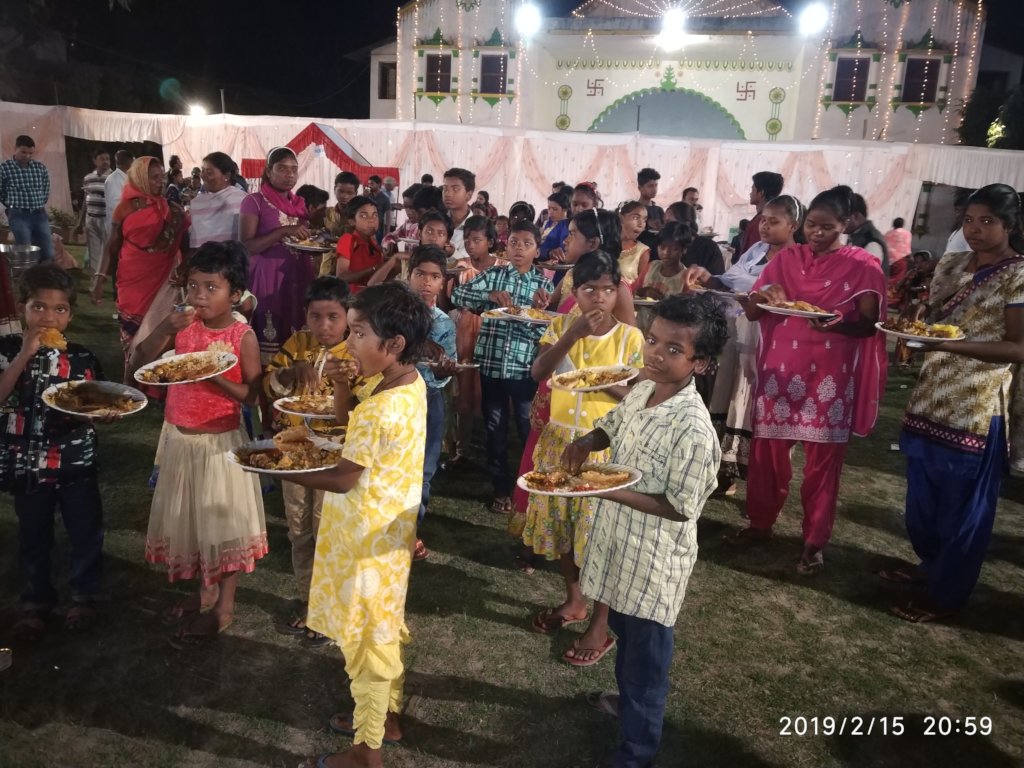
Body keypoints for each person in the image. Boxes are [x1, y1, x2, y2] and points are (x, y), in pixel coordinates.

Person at [564, 293, 727, 768]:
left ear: (701, 363)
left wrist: (605, 489)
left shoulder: (693, 430)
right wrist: (587, 440)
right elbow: (612, 424)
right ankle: (628, 704)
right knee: (625, 639)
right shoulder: (643, 389)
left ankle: (636, 754)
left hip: (653, 569)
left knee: (647, 666)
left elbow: (680, 507)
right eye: (653, 340)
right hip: (619, 552)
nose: (655, 354)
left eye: (674, 349)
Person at [282, 283, 431, 768]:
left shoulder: (380, 406)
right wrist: (345, 386)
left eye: (359, 333)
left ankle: (367, 752)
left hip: (362, 539)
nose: (348, 343)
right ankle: (384, 716)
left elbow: (345, 477)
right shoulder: (407, 383)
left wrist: (280, 469)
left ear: (395, 343)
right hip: (388, 533)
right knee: (382, 628)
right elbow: (352, 425)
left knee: (366, 645)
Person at [727, 185, 887, 575]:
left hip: (829, 377)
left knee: (823, 465)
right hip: (780, 373)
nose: (816, 233)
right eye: (812, 225)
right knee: (767, 455)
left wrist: (839, 324)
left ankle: (814, 541)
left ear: (846, 224)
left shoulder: (863, 265)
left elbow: (869, 325)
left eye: (827, 227)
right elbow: (754, 313)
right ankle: (760, 523)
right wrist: (760, 299)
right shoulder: (787, 259)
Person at [887, 183, 1024, 623]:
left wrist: (949, 346)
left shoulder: (1018, 274)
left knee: (963, 509)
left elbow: (1018, 347)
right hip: (931, 395)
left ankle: (947, 596)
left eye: (987, 221)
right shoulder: (952, 264)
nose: (975, 230)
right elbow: (933, 322)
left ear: (1009, 225)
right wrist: (913, 325)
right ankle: (931, 567)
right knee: (922, 501)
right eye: (968, 220)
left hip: (976, 407)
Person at [131, 241, 266, 648]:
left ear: (235, 294)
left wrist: (214, 377)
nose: (199, 296)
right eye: (193, 286)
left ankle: (224, 607)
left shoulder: (241, 336)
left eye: (211, 287)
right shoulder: (182, 328)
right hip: (180, 440)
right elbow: (139, 363)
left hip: (219, 445)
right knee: (193, 522)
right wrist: (163, 330)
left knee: (222, 526)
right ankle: (204, 593)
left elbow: (253, 396)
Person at [524, 252, 644, 669]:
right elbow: (540, 371)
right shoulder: (561, 326)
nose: (599, 298)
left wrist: (602, 384)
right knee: (562, 528)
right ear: (575, 292)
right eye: (589, 289)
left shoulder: (630, 338)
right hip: (558, 440)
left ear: (618, 293)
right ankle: (575, 600)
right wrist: (572, 335)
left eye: (608, 290)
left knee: (601, 539)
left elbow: (638, 400)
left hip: (602, 448)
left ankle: (600, 622)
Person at [0, 265, 108, 642]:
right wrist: (23, 355)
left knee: (85, 531)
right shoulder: (6, 350)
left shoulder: (81, 357)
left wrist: (103, 413)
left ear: (70, 316)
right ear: (22, 309)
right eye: (39, 307)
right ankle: (36, 602)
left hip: (75, 462)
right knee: (34, 535)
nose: (48, 317)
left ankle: (84, 597)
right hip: (27, 463)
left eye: (59, 309)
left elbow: (97, 402)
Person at [690, 195, 803, 495]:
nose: (765, 226)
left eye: (774, 221)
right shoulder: (756, 251)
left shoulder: (797, 259)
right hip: (736, 331)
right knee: (726, 395)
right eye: (763, 220)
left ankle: (758, 479)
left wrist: (749, 293)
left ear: (793, 225)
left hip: (766, 337)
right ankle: (723, 472)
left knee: (751, 399)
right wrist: (707, 278)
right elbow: (729, 282)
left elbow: (778, 296)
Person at [264, 276, 355, 646]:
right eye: (316, 317)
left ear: (348, 317)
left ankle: (332, 607)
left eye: (333, 317)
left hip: (336, 455)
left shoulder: (356, 353)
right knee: (299, 529)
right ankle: (310, 599)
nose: (324, 326)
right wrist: (289, 372)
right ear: (305, 316)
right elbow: (268, 386)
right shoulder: (297, 346)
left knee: (328, 531)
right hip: (294, 452)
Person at [451, 220, 553, 515]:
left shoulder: (543, 285)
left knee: (526, 428)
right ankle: (500, 489)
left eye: (527, 244)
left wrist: (541, 311)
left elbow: (548, 329)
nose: (519, 249)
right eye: (514, 243)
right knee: (494, 428)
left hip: (524, 367)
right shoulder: (494, 275)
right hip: (493, 364)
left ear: (537, 251)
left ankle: (527, 489)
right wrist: (488, 296)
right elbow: (458, 296)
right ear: (505, 247)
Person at [91, 157, 189, 372]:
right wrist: (100, 277)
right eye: (154, 177)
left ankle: (156, 376)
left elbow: (185, 243)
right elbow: (111, 244)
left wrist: (183, 269)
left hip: (163, 276)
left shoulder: (172, 210)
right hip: (131, 278)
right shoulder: (125, 208)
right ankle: (132, 371)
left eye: (162, 177)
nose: (160, 182)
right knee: (132, 329)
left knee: (160, 327)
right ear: (140, 178)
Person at [240, 146, 312, 362]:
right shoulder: (254, 201)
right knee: (270, 332)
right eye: (282, 168)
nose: (289, 174)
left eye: (293, 169)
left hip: (298, 275)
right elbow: (247, 246)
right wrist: (283, 231)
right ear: (268, 171)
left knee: (297, 328)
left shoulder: (299, 204)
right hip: (268, 278)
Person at [408, 246, 457, 561]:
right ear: (409, 275)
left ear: (443, 282)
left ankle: (410, 529)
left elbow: (443, 372)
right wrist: (420, 344)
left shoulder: (444, 323)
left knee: (424, 470)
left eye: (434, 277)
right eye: (420, 274)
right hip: (394, 399)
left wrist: (443, 369)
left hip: (428, 399)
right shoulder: (391, 313)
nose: (426, 282)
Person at [446, 215, 505, 469]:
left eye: (477, 240)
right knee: (465, 383)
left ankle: (489, 444)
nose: (470, 245)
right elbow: (452, 298)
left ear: (490, 241)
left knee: (490, 385)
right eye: (467, 239)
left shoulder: (504, 267)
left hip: (494, 330)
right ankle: (463, 446)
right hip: (467, 329)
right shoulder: (460, 267)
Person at [0, 135, 53, 262]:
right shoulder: (5, 168)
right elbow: (1, 191)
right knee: (25, 250)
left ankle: (44, 273)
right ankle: (26, 273)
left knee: (47, 251)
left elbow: (46, 189)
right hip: (19, 215)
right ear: (15, 148)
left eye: (30, 153)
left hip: (39, 214)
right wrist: (10, 205)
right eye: (24, 152)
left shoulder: (40, 168)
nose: (27, 156)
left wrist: (39, 202)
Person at [189, 152, 248, 248]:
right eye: (202, 171)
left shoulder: (241, 200)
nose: (202, 176)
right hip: (205, 256)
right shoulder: (199, 202)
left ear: (227, 176)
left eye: (209, 172)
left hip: (232, 255)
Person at [73, 148, 111, 273]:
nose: (105, 161)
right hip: (91, 218)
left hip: (107, 218)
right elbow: (86, 199)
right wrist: (80, 221)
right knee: (93, 251)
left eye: (107, 159)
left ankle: (106, 274)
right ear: (94, 161)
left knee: (107, 250)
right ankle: (95, 277)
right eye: (102, 159)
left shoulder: (113, 178)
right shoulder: (88, 178)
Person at [335, 196, 384, 293]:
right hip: (353, 297)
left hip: (373, 296)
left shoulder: (373, 242)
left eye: (375, 215)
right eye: (364, 216)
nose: (371, 220)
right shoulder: (347, 239)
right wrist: (374, 269)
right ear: (352, 221)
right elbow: (341, 277)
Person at [740, 171, 784, 253]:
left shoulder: (761, 222)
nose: (750, 193)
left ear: (761, 193)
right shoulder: (774, 218)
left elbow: (755, 254)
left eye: (753, 189)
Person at [846, 193, 890, 275]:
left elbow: (867, 276)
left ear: (856, 216)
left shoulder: (871, 242)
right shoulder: (855, 235)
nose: (839, 222)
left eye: (843, 218)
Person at [442, 167, 476, 261]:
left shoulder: (478, 227)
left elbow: (477, 262)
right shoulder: (439, 222)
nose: (448, 194)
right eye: (445, 189)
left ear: (468, 195)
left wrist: (453, 253)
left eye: (455, 189)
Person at [381, 183, 423, 256]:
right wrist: (389, 243)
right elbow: (390, 236)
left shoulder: (427, 227)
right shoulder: (408, 224)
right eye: (406, 207)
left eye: (412, 207)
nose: (408, 212)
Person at [617, 201, 651, 289]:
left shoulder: (642, 251)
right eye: (636, 218)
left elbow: (641, 286)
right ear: (621, 218)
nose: (641, 224)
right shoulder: (605, 244)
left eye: (644, 220)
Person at [885, 216, 913, 300]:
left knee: (887, 279)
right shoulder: (907, 234)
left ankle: (884, 295)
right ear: (902, 225)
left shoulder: (888, 233)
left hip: (888, 260)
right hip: (900, 260)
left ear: (893, 224)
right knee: (898, 280)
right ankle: (891, 299)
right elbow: (907, 247)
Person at [540, 191, 571, 262]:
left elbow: (563, 250)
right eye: (549, 208)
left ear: (565, 210)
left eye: (555, 209)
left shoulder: (567, 226)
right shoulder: (547, 223)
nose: (550, 212)